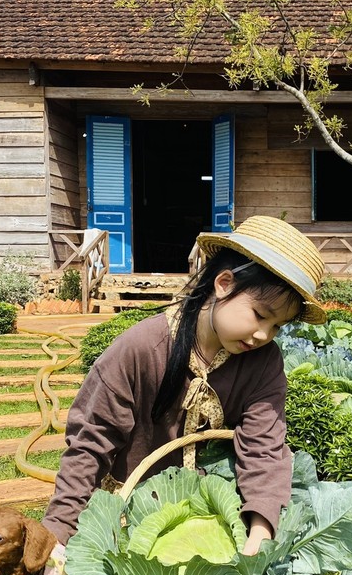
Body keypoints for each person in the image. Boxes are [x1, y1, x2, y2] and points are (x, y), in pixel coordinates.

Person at [41, 215, 326, 557]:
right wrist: (57, 534)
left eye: (278, 326)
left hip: (214, 511)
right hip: (130, 509)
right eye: (261, 315)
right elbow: (90, 445)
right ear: (224, 284)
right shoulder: (143, 348)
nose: (265, 334)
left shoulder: (264, 362)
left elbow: (263, 448)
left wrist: (260, 532)